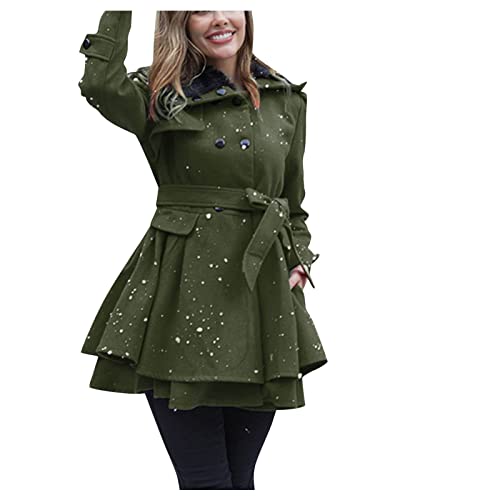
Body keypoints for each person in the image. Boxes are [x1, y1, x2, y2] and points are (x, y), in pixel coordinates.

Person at [78, 10, 328, 490]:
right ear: (180, 22)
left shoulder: (285, 98)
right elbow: (99, 84)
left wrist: (299, 259)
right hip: (180, 291)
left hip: (260, 296)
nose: (218, 19)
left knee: (241, 476)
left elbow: (292, 199)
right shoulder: (159, 93)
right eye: (198, 9)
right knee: (204, 478)